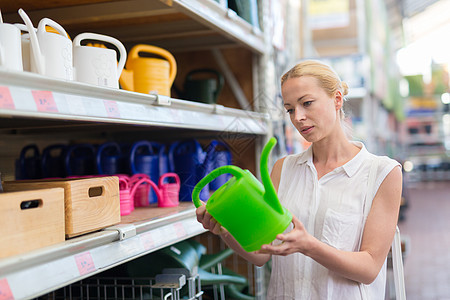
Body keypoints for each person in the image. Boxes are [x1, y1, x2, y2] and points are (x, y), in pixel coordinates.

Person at [196, 60, 402, 299]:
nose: (298, 117)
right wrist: (225, 230)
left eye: (307, 103)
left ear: (337, 99)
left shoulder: (381, 173)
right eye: (290, 109)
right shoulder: (284, 169)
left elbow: (369, 268)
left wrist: (309, 246)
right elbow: (262, 253)